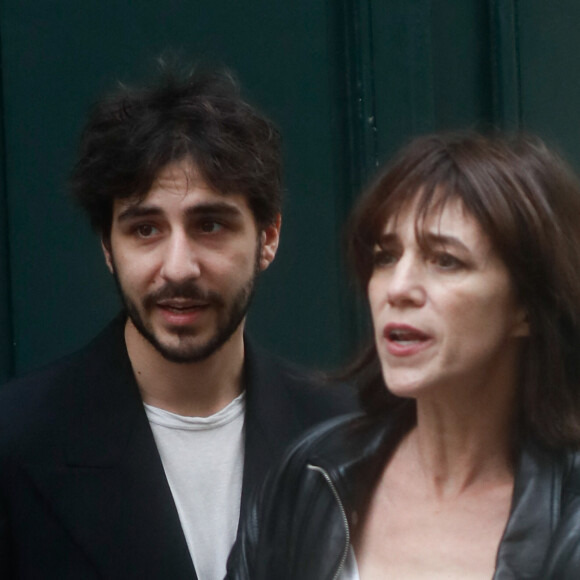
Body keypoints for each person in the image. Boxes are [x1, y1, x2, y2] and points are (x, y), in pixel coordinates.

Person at [0, 65, 354, 579]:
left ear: (268, 236)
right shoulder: (17, 439)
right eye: (145, 229)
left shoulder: (344, 436)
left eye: (210, 225)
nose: (178, 267)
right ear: (107, 247)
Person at [226, 132, 580, 580]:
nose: (397, 288)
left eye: (445, 260)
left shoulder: (569, 519)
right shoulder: (312, 473)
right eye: (386, 256)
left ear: (527, 306)